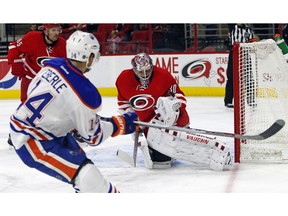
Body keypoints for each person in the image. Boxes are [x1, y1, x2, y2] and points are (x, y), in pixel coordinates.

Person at [9, 30, 138, 193]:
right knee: (89, 179)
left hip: (29, 128)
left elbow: (34, 93)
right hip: (34, 143)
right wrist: (120, 124)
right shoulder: (83, 91)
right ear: (90, 57)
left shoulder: (51, 65)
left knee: (86, 175)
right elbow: (94, 137)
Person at [115, 53, 232, 171]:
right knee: (160, 163)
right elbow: (124, 104)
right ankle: (166, 153)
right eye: (141, 72)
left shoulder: (163, 76)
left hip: (174, 123)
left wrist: (170, 112)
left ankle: (217, 153)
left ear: (152, 66)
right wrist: (134, 120)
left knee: (182, 146)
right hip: (150, 128)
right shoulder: (123, 79)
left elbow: (179, 97)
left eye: (148, 70)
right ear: (134, 69)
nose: (145, 75)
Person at [8, 23, 66, 104]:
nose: (56, 33)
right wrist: (15, 62)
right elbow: (13, 46)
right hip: (30, 78)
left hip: (49, 83)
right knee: (25, 107)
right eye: (53, 30)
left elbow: (66, 65)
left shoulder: (63, 44)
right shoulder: (32, 38)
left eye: (58, 30)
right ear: (45, 31)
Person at [224, 24, 256, 108]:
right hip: (234, 54)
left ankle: (251, 100)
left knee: (249, 78)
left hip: (245, 54)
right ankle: (228, 101)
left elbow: (252, 42)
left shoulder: (249, 30)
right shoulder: (232, 27)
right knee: (231, 77)